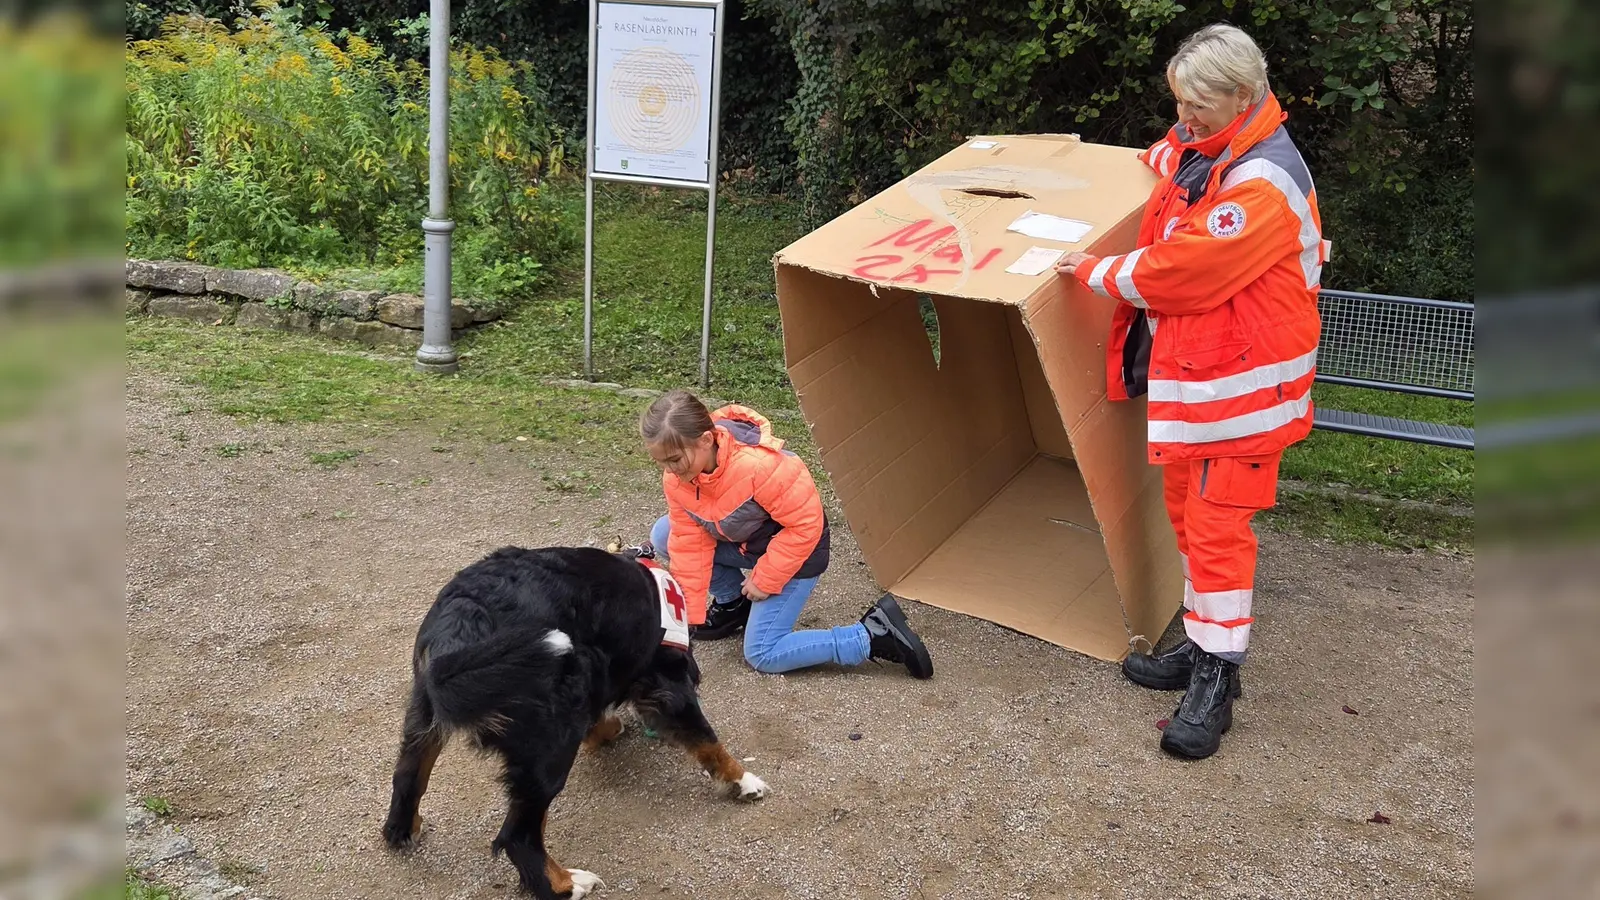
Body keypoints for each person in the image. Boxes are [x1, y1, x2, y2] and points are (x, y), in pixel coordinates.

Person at [1055, 23, 1326, 760]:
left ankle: (1216, 679)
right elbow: (1167, 158)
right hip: (1205, 388)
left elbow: (1182, 271)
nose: (1182, 117)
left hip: (1242, 398)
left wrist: (1092, 271)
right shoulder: (1213, 149)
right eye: (1177, 101)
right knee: (1189, 520)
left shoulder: (1261, 182)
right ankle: (1201, 645)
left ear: (1242, 96)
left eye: (1196, 103)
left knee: (1217, 534)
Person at [637, 388, 934, 679]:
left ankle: (871, 635)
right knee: (666, 534)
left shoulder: (761, 466)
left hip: (799, 553)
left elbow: (806, 525)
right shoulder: (679, 479)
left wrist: (766, 578)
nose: (669, 470)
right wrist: (687, 623)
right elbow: (689, 543)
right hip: (749, 543)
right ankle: (733, 605)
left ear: (705, 439)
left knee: (763, 654)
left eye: (674, 459)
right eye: (660, 462)